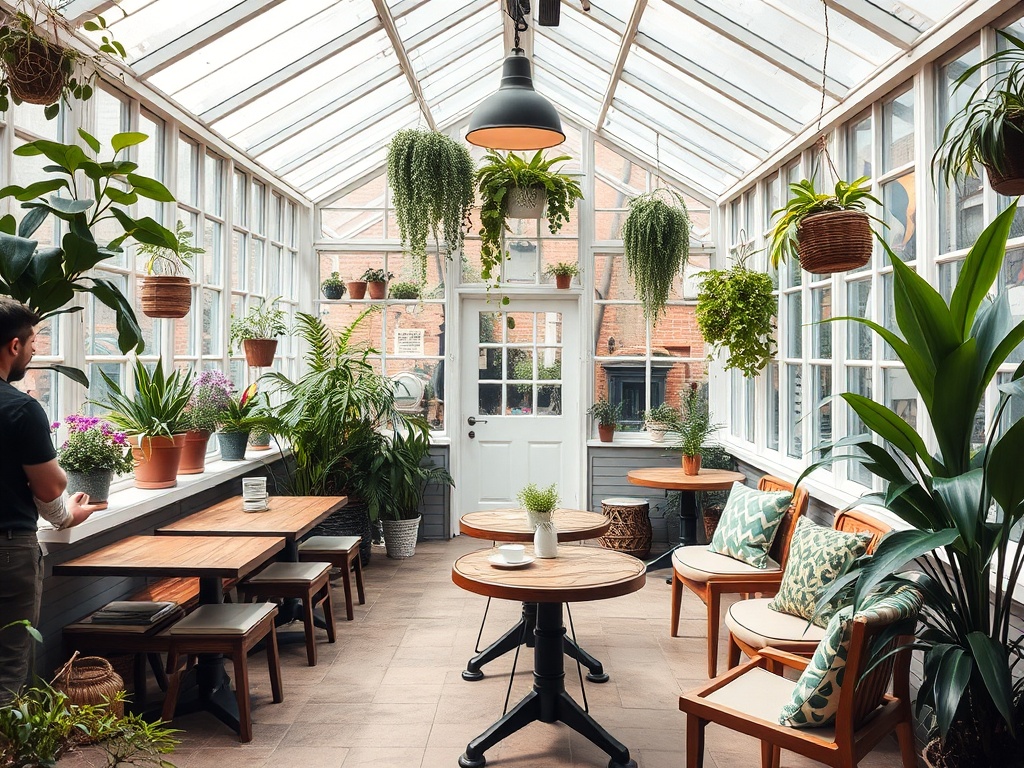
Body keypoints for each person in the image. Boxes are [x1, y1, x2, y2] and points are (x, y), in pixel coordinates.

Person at [0, 299, 101, 704]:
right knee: (8, 666)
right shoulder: (20, 409)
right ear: (12, 346)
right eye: (32, 341)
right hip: (7, 552)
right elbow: (48, 488)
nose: (35, 349)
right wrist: (65, 505)